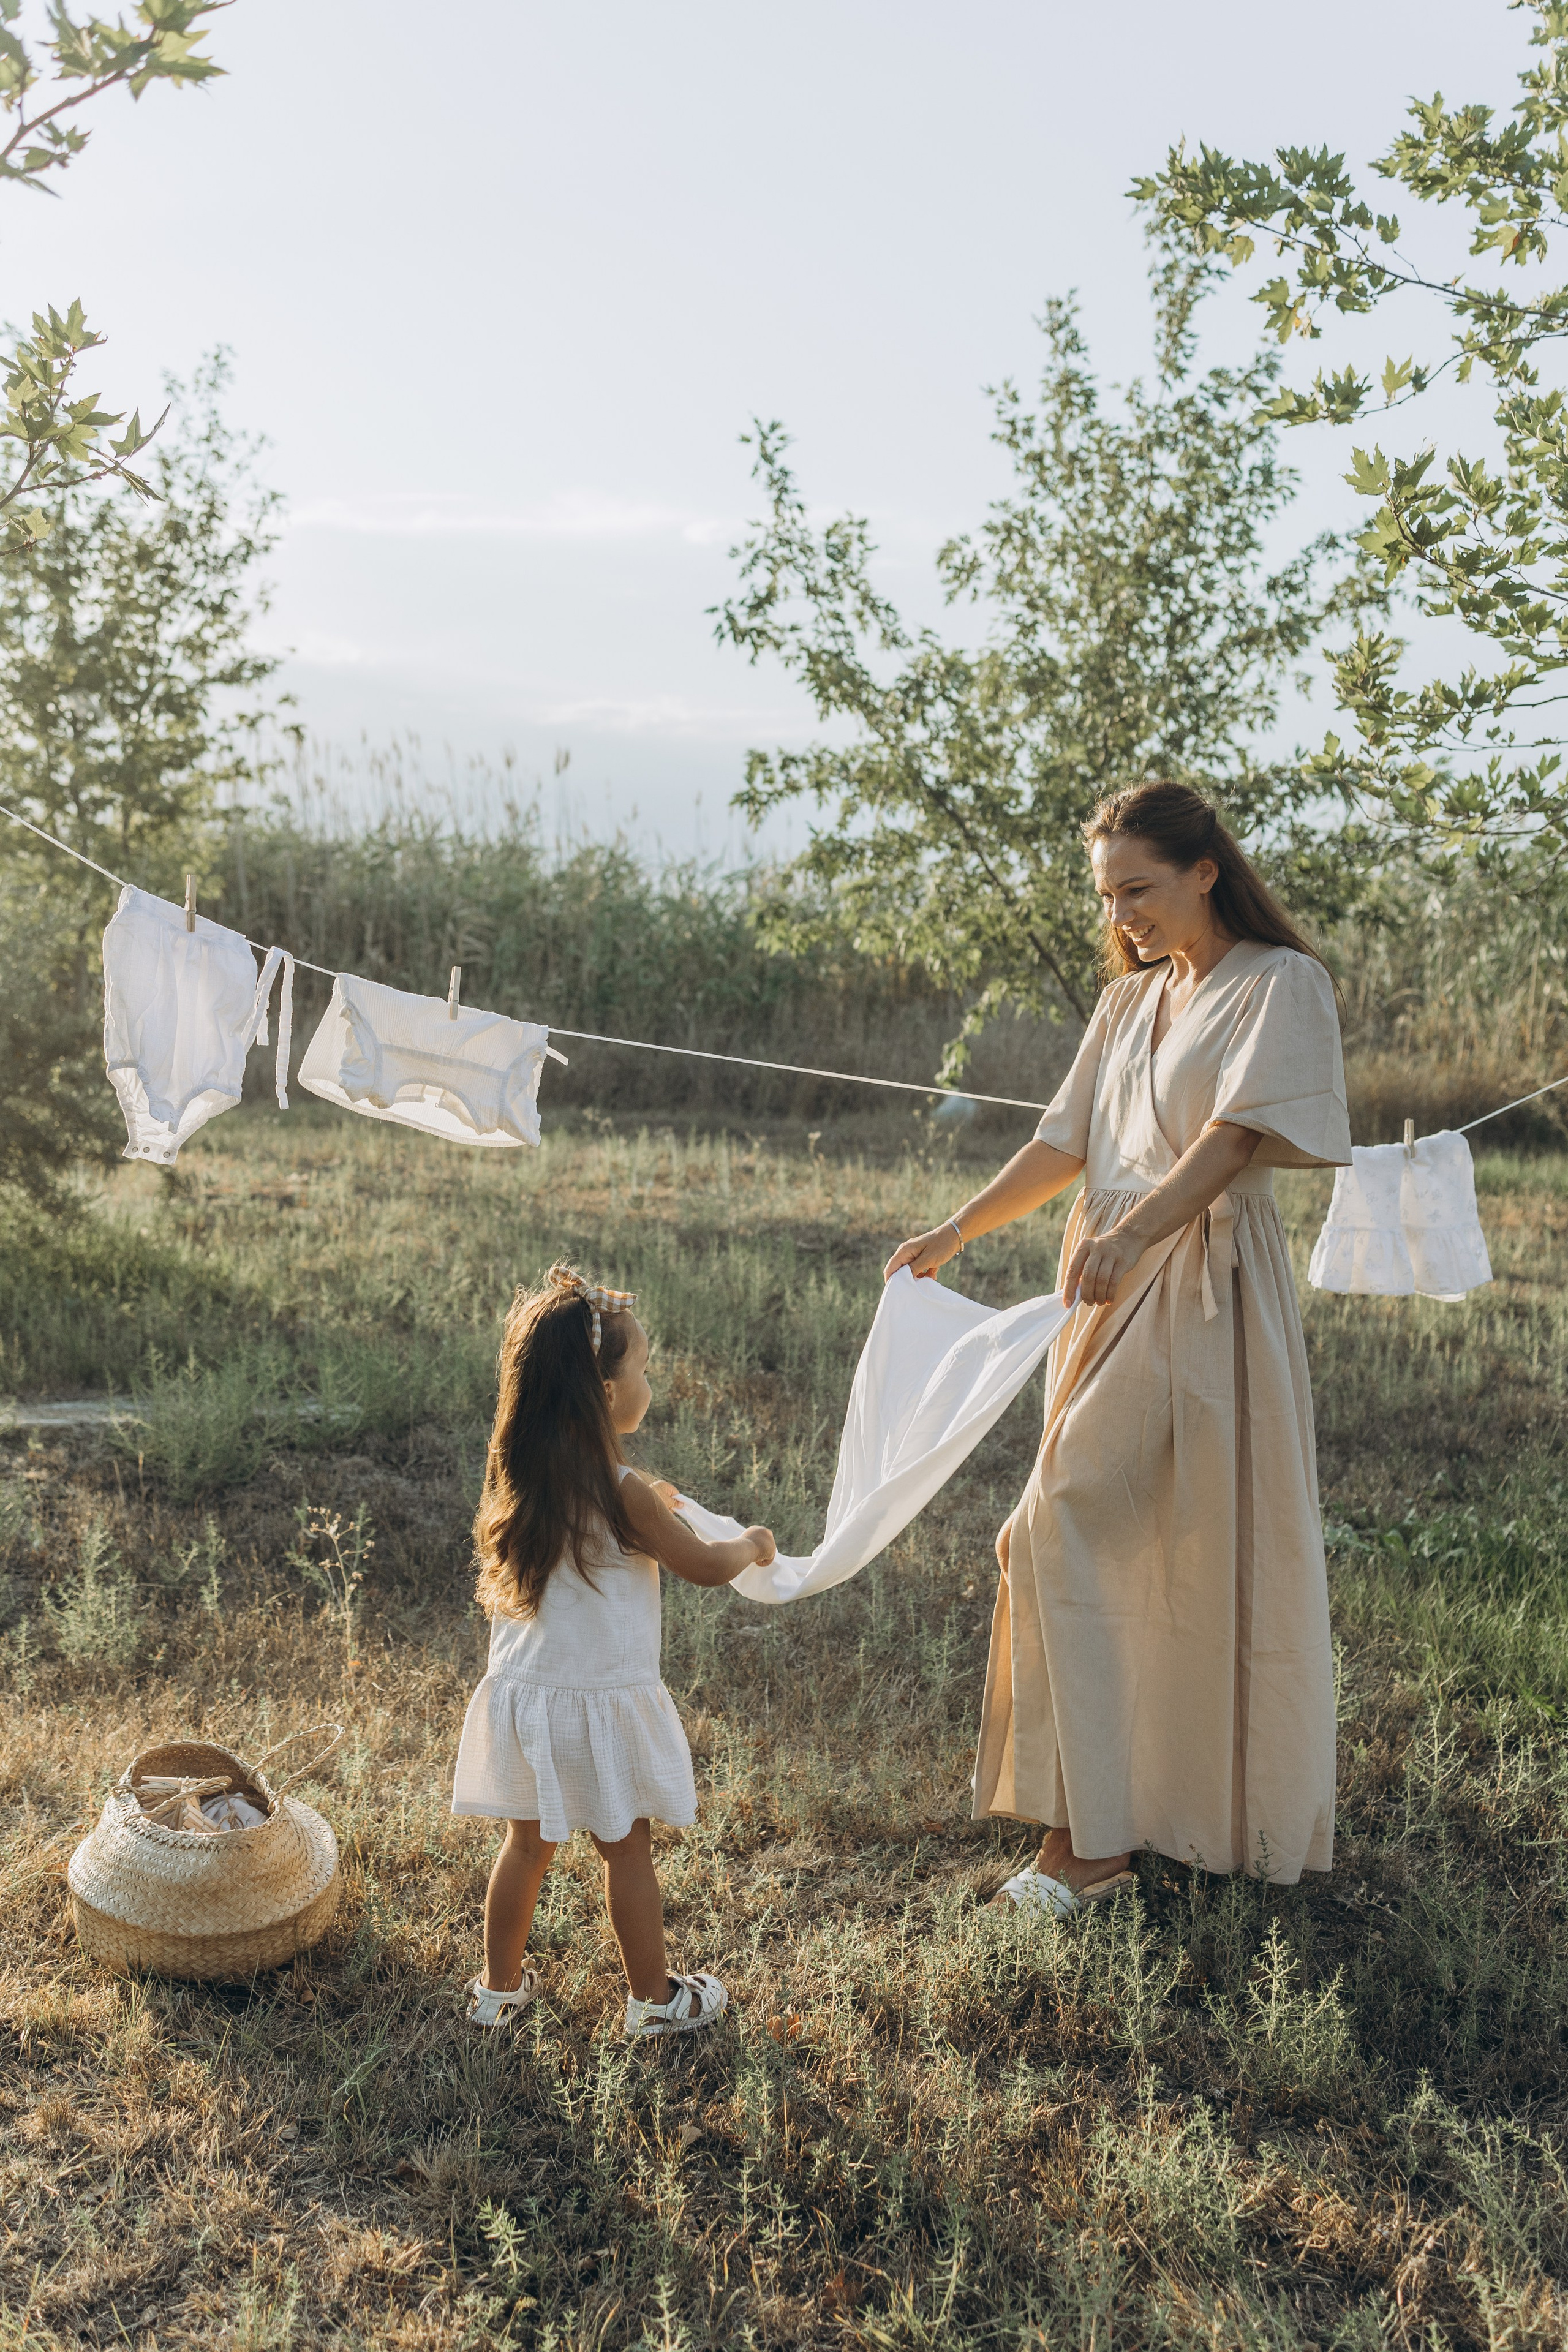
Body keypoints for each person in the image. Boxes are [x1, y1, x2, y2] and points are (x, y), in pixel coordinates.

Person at [886, 781, 1351, 1913]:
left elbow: (1236, 1138)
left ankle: (1090, 1851)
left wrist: (1140, 1229)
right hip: (1100, 1281)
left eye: (1138, 889)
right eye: (1107, 895)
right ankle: (1109, 1818)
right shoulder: (1127, 1003)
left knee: (1071, 1525)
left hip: (1198, 1281)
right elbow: (1064, 1143)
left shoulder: (1280, 985)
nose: (1123, 914)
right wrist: (958, 1229)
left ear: (1204, 871)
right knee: (1092, 1537)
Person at [451, 1265, 776, 2035]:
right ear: (603, 1391)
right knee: (625, 1851)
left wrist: (649, 1501)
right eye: (643, 1370)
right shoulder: (622, 1493)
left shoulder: (520, 1477)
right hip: (596, 1705)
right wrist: (749, 1544)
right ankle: (655, 2002)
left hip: (529, 1699)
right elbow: (700, 1566)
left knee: (524, 1846)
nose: (649, 1384)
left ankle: (497, 1992)